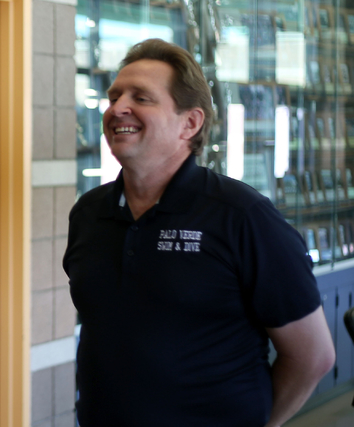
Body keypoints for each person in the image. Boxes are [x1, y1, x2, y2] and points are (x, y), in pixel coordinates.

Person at [63, 39, 335, 427]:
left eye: (141, 97)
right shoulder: (89, 213)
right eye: (115, 95)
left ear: (190, 123)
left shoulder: (243, 217)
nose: (118, 107)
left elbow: (313, 356)